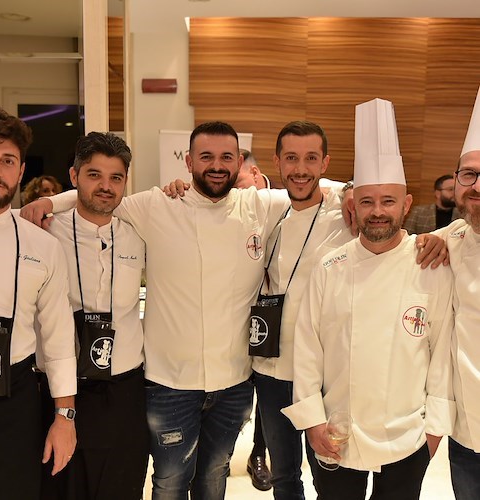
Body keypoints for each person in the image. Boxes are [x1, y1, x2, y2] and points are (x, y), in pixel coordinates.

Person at [21, 121, 291, 500]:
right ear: (188, 161)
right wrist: (50, 201)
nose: (216, 165)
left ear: (240, 162)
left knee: (215, 475)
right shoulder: (157, 205)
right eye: (206, 156)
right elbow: (100, 198)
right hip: (168, 383)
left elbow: (313, 191)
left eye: (226, 157)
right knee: (168, 482)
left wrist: (351, 198)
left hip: (233, 382)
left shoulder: (258, 206)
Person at [282, 98, 455, 500]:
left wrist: (432, 433)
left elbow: (441, 352)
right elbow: (308, 348)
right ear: (353, 206)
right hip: (336, 432)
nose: (377, 212)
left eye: (388, 201)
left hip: (408, 436)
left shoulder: (429, 264)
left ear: (406, 204)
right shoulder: (330, 266)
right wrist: (311, 422)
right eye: (367, 201)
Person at [38, 132, 148, 499]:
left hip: (125, 390)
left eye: (115, 177)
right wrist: (48, 202)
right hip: (62, 390)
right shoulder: (44, 234)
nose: (105, 186)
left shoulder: (139, 234)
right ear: (74, 176)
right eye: (93, 175)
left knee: (122, 487)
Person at [252, 121, 354, 499]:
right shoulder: (267, 211)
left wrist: (350, 189)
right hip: (271, 368)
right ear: (276, 162)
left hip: (323, 372)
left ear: (325, 163)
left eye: (311, 158)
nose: (300, 169)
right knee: (284, 476)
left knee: (331, 473)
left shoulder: (345, 214)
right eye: (291, 158)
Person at [0, 105, 77, 499]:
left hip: (13, 397)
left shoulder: (42, 246)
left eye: (7, 161)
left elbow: (57, 340)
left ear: (21, 172)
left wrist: (64, 417)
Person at [438, 85, 480, 500]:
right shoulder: (449, 238)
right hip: (467, 433)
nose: (477, 185)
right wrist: (343, 192)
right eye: (469, 174)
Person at [229, 148, 273, 491]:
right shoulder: (228, 207)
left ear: (256, 174)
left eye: (240, 181)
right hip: (237, 311)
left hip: (279, 313)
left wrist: (348, 189)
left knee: (270, 389)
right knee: (240, 385)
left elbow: (333, 188)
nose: (234, 190)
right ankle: (225, 446)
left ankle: (259, 452)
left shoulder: (286, 203)